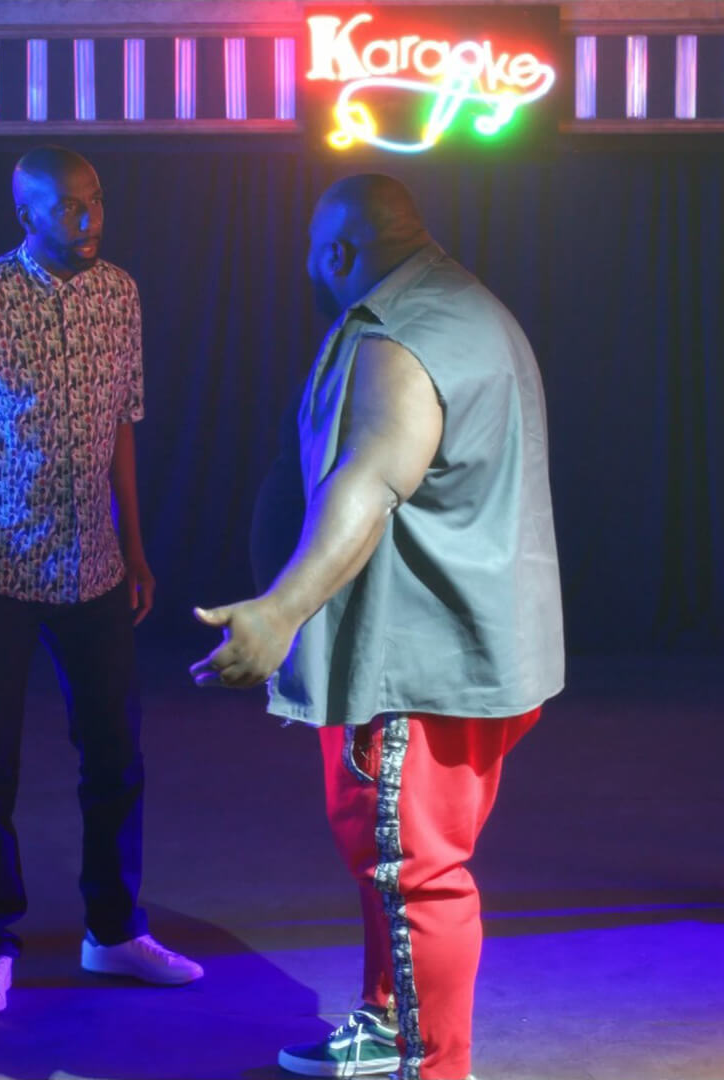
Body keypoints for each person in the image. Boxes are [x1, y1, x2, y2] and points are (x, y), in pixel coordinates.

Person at [192, 174, 564, 1080]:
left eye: (311, 255)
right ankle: (391, 1023)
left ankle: (434, 1066)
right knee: (390, 864)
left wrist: (280, 610)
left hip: (417, 664)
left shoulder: (403, 333)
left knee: (417, 871)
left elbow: (373, 477)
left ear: (339, 252)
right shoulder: (461, 307)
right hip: (443, 650)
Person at [0, 145, 202, 1017]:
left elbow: (121, 424)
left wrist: (134, 545)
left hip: (93, 565)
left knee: (114, 757)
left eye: (94, 199)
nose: (88, 217)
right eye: (67, 205)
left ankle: (114, 932)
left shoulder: (120, 293)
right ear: (26, 215)